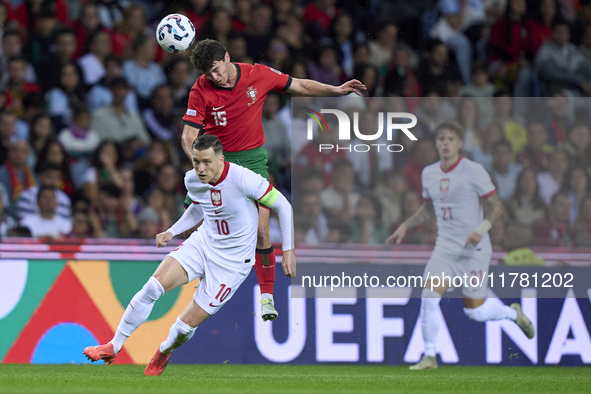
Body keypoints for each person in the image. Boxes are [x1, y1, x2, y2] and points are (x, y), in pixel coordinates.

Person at [180, 38, 365, 321]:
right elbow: (188, 135)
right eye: (209, 74)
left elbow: (300, 86)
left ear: (227, 57)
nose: (215, 77)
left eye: (217, 69)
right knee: (194, 224)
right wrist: (200, 164)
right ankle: (204, 271)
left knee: (262, 231)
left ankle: (266, 297)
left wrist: (335, 90)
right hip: (218, 161)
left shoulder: (258, 75)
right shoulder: (200, 90)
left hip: (252, 161)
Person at [83, 135, 295, 374]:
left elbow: (283, 206)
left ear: (220, 160)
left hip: (233, 264)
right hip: (204, 243)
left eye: (206, 162)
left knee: (184, 328)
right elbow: (197, 208)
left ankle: (164, 350)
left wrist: (288, 250)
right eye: (196, 162)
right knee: (152, 287)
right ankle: (114, 345)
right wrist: (172, 231)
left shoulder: (244, 179)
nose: (201, 168)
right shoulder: (192, 179)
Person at [385, 120, 535, 370]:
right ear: (436, 143)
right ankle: (429, 357)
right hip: (445, 248)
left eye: (450, 139)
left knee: (475, 312)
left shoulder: (473, 171)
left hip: (474, 250)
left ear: (460, 143)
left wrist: (481, 230)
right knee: (429, 298)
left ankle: (512, 314)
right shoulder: (429, 173)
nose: (445, 143)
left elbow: (497, 207)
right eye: (441, 138)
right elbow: (428, 207)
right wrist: (406, 225)